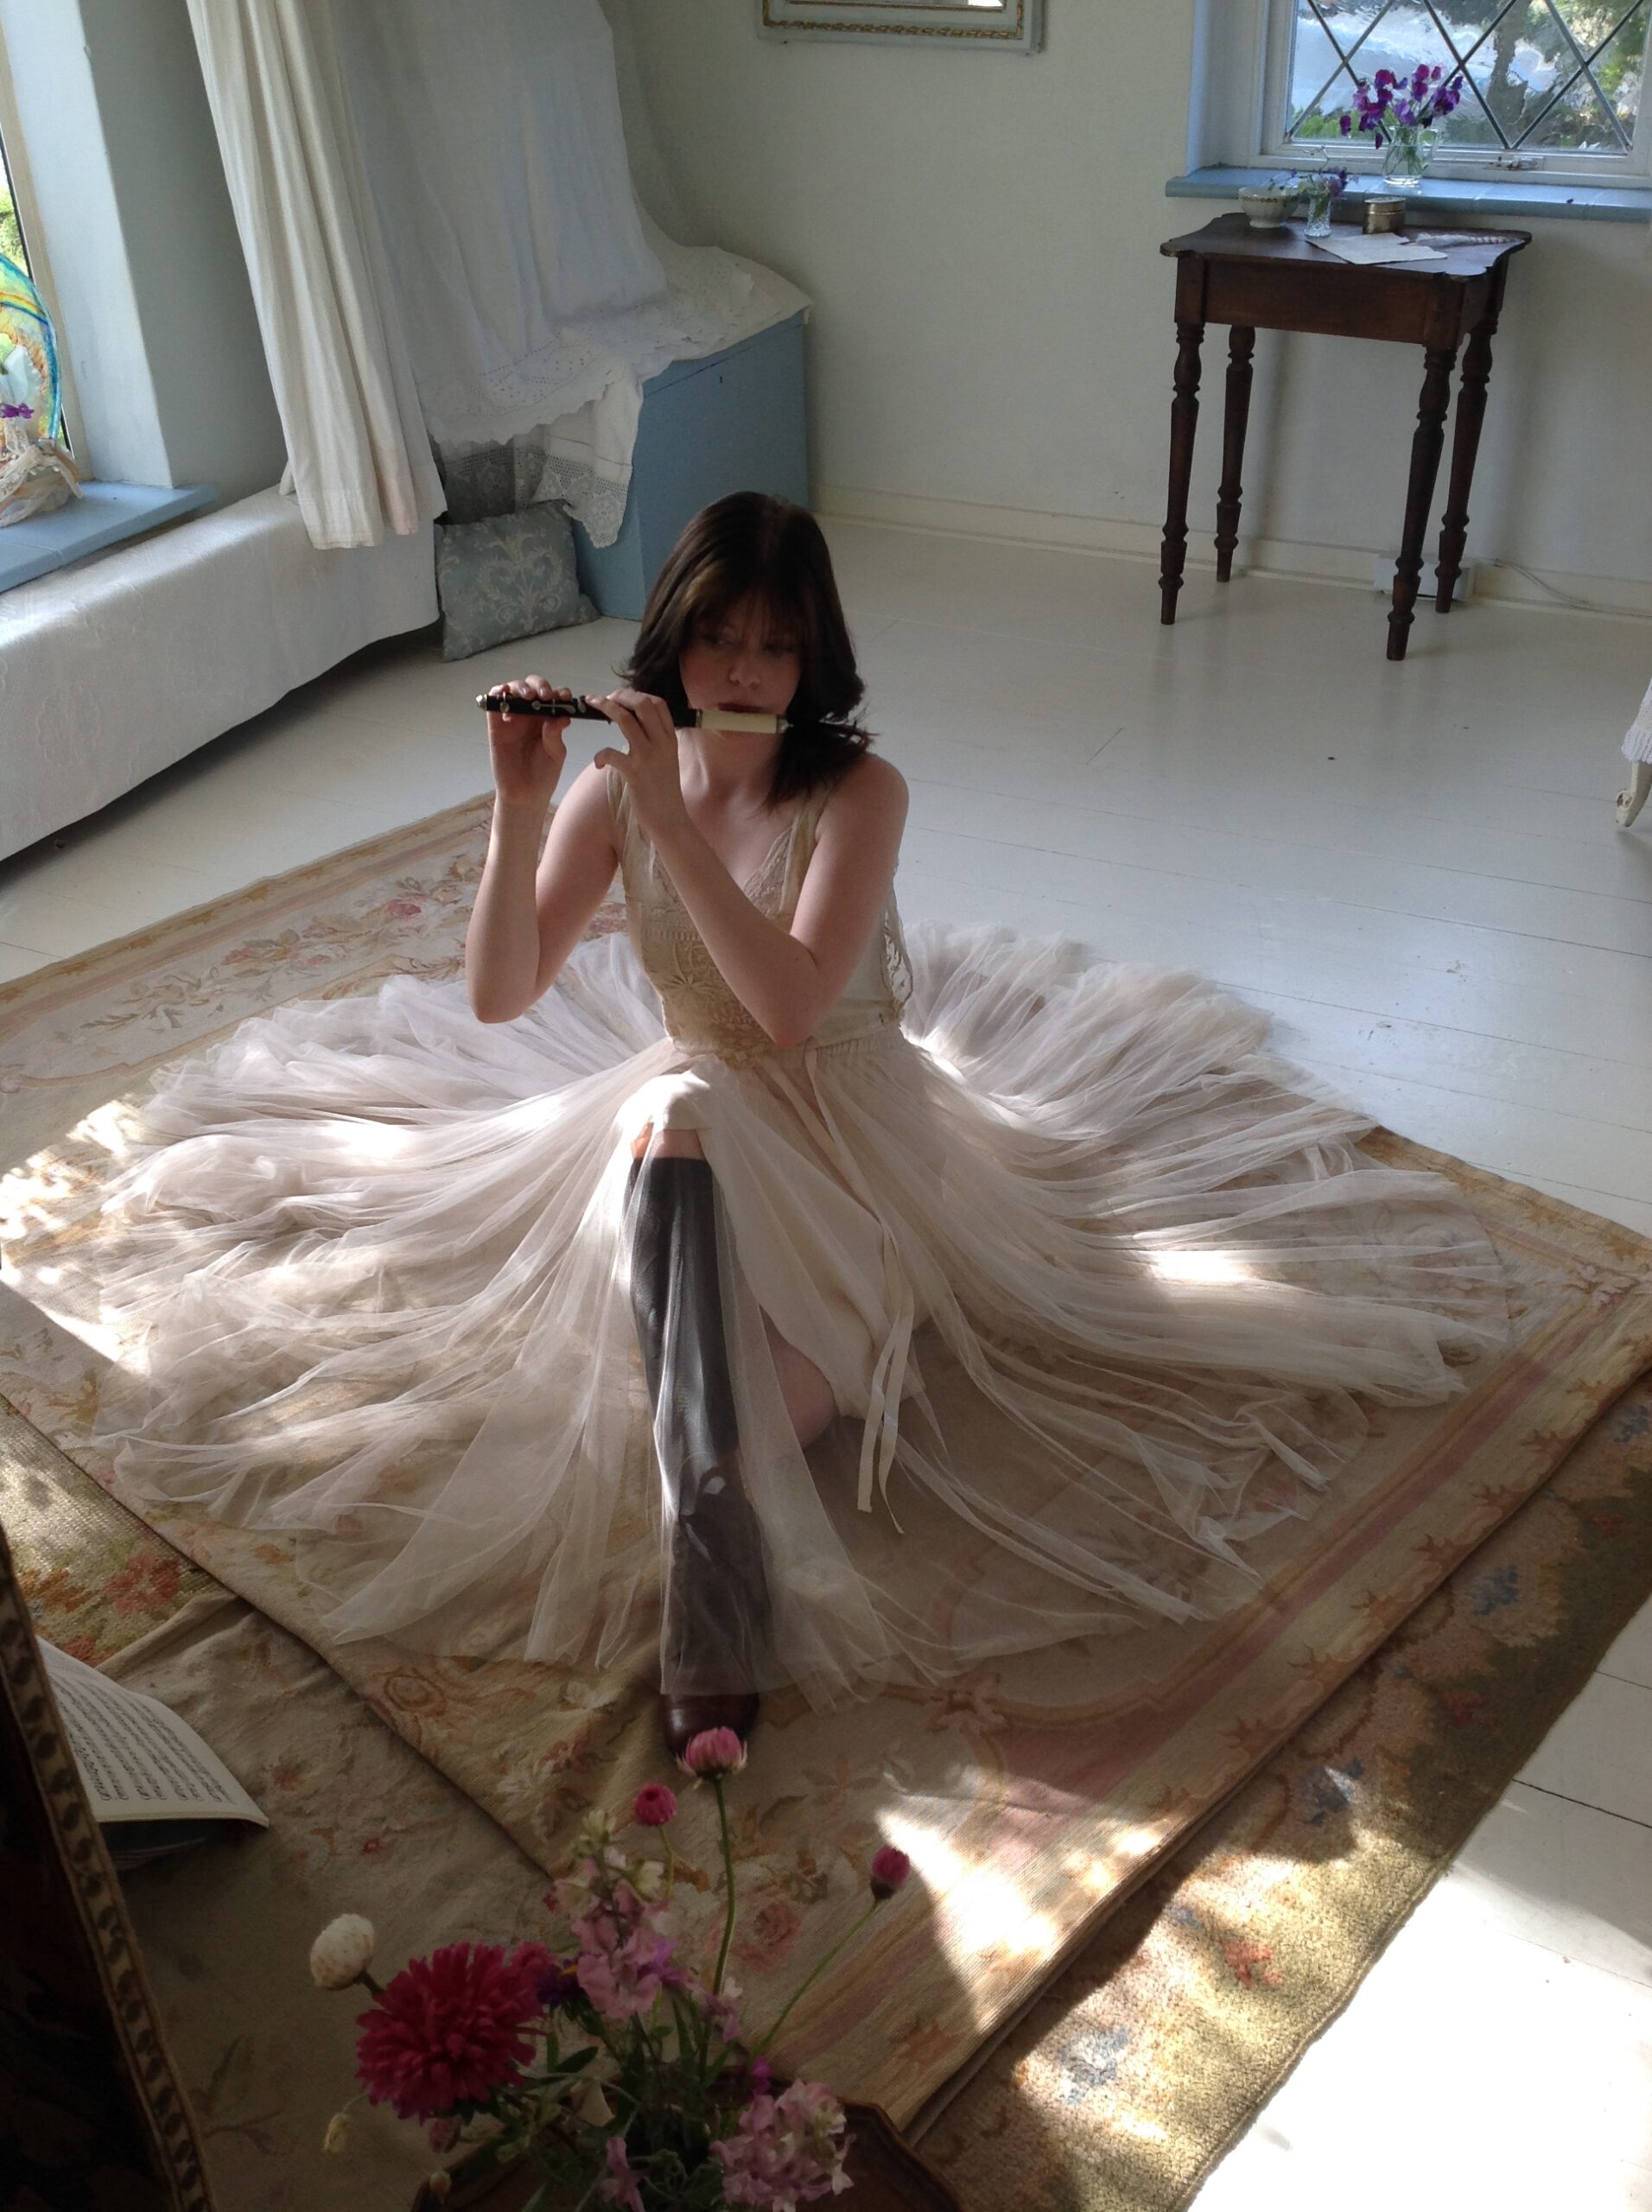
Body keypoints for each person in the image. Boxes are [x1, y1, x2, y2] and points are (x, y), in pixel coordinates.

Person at [95, 493, 1508, 1758]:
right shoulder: (610, 788)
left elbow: (782, 1012)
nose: (742, 672)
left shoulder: (858, 794)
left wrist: (670, 819)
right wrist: (520, 807)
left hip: (847, 1141)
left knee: (766, 1377)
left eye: (774, 647)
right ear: (675, 639)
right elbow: (499, 995)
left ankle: (711, 1492)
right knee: (677, 1124)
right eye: (719, 640)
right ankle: (712, 1538)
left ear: (812, 657)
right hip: (685, 1133)